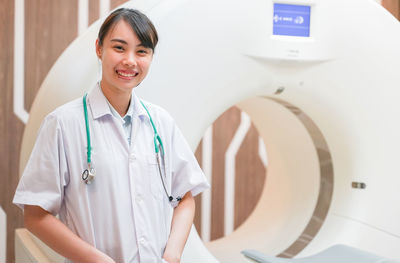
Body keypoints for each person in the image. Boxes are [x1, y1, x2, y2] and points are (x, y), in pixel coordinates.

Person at [13, 8, 209, 263]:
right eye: (119, 48)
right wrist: (98, 260)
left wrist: (172, 255)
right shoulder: (63, 124)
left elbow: (184, 197)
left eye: (142, 51)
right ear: (99, 48)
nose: (130, 61)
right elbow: (35, 215)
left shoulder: (161, 123)